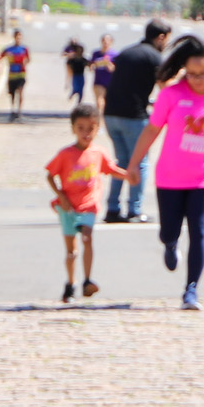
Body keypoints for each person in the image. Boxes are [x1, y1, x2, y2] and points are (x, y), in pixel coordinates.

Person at [131, 33, 204, 310]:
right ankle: (171, 244)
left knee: (199, 229)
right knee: (169, 231)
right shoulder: (171, 94)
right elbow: (152, 129)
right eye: (192, 73)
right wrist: (134, 162)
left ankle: (191, 289)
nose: (197, 79)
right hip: (170, 177)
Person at [46, 102, 138, 303]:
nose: (86, 133)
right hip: (67, 206)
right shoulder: (65, 154)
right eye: (81, 128)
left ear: (97, 128)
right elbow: (50, 175)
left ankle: (87, 280)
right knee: (71, 250)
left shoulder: (98, 153)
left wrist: (128, 176)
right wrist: (60, 195)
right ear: (73, 129)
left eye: (91, 129)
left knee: (87, 237)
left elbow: (111, 169)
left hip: (88, 204)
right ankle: (70, 284)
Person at [102, 20, 171, 223]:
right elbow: (166, 88)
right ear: (160, 37)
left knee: (121, 162)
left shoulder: (126, 52)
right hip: (133, 116)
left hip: (110, 114)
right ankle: (134, 209)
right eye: (166, 39)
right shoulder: (154, 57)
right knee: (139, 162)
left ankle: (112, 209)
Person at [1, 29, 30, 119]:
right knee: (12, 93)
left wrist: (24, 62)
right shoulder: (9, 49)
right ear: (14, 37)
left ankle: (19, 111)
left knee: (20, 92)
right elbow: (1, 55)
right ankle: (13, 109)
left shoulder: (24, 49)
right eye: (17, 36)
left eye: (20, 36)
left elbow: (28, 59)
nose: (18, 38)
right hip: (12, 74)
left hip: (21, 73)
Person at [91, 33, 117, 116]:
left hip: (111, 82)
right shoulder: (96, 53)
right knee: (99, 102)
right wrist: (95, 65)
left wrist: (108, 64)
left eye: (107, 41)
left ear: (111, 42)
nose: (105, 43)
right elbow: (91, 65)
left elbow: (117, 69)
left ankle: (106, 119)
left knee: (109, 104)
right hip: (98, 81)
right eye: (104, 41)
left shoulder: (115, 55)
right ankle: (99, 120)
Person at [63, 39, 89, 103]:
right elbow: (68, 64)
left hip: (81, 75)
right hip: (75, 76)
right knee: (76, 88)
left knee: (81, 89)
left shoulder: (84, 59)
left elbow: (89, 64)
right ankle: (73, 94)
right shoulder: (73, 59)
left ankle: (79, 101)